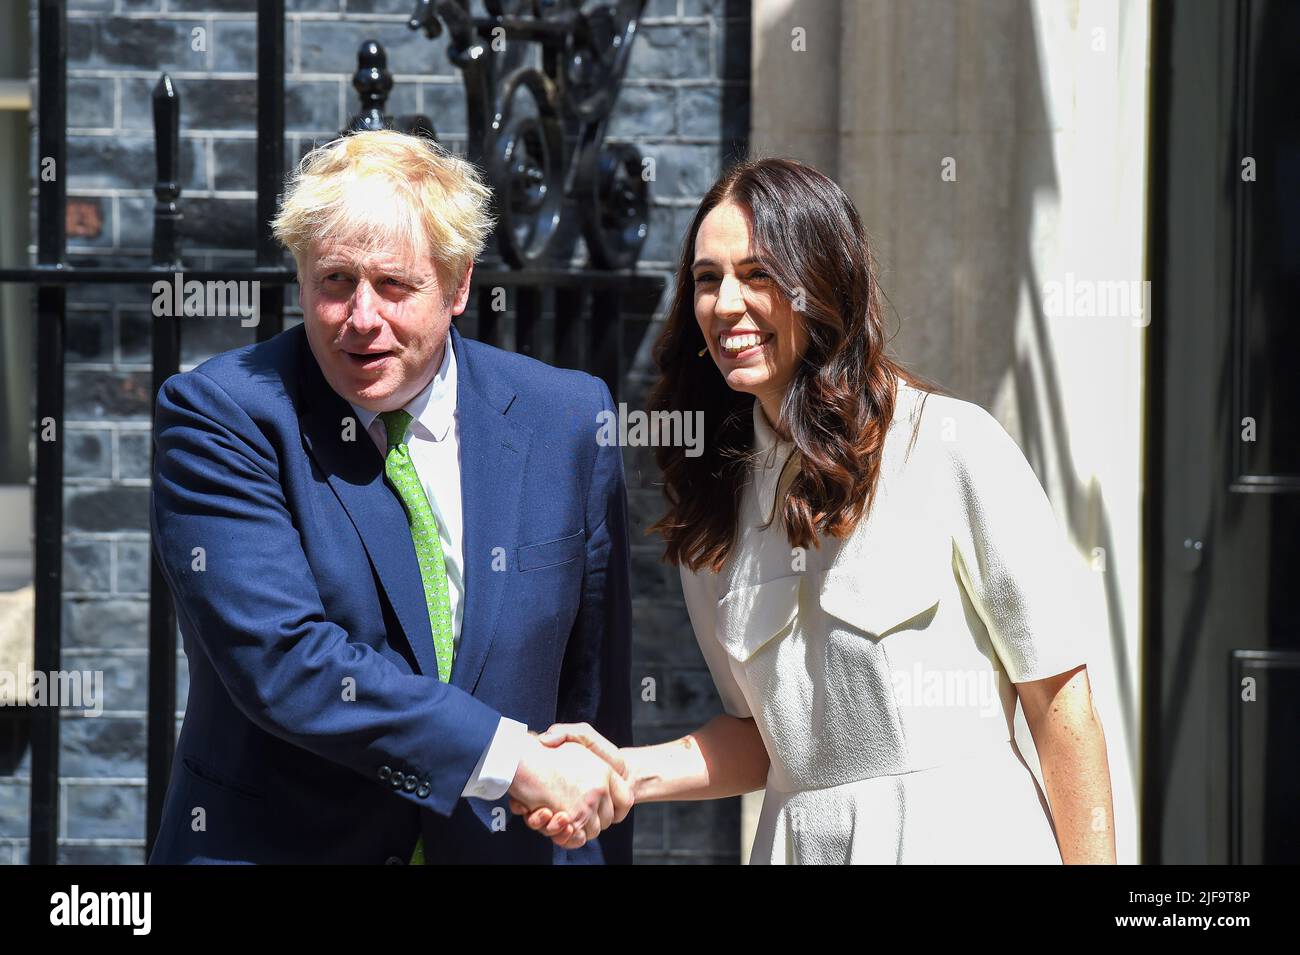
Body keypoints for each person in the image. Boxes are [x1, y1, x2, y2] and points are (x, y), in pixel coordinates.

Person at [514, 157, 1117, 864]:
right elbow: (763, 740)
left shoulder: (953, 446)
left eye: (758, 274)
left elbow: (1060, 704)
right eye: (707, 279)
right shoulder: (715, 511)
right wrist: (621, 773)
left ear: (822, 283)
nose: (726, 303)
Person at [148, 130, 633, 864]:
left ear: (459, 283)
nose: (360, 316)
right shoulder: (224, 414)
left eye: (394, 285)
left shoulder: (565, 418)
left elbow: (591, 703)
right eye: (335, 280)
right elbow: (285, 658)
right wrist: (514, 762)